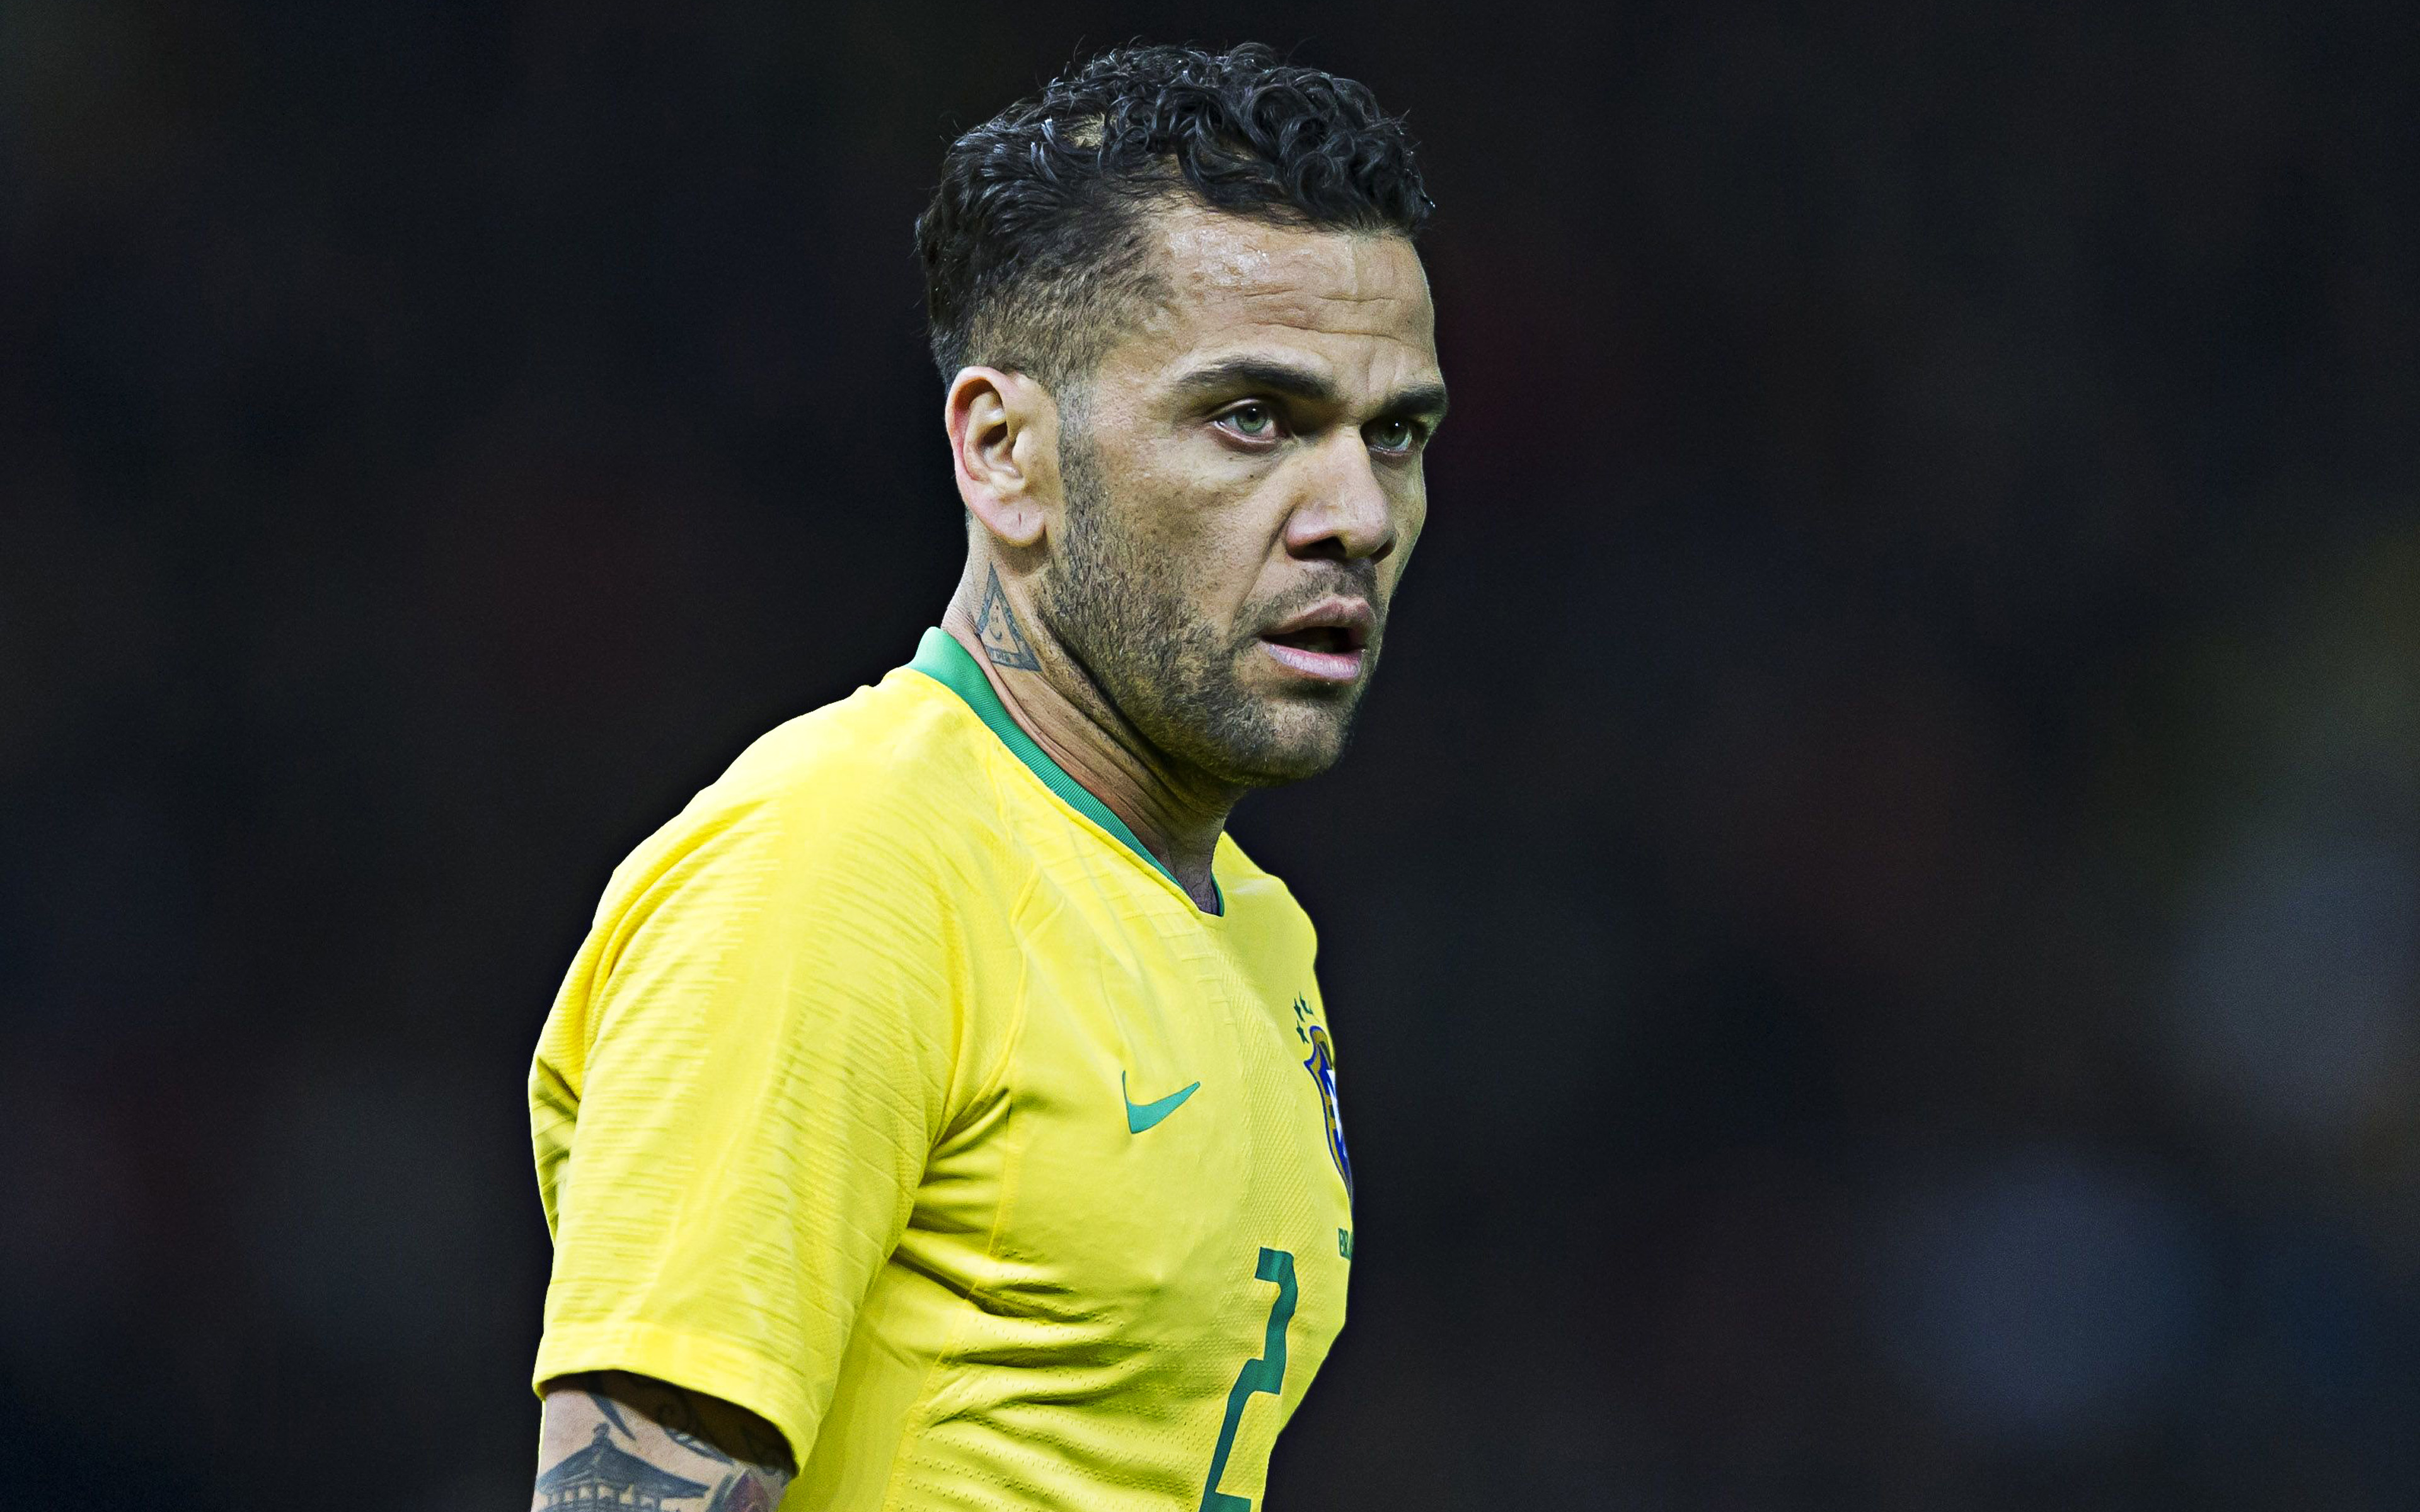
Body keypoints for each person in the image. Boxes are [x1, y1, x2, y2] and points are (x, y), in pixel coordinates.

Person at [525, 42, 1445, 1511]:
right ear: (1006, 454)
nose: (1357, 514)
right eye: (1253, 418)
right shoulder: (844, 867)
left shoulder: (1256, 932)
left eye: (1393, 433)